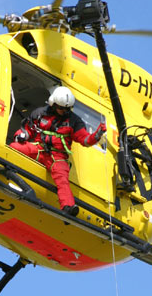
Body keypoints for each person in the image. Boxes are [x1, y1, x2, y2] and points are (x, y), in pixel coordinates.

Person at [10, 85, 106, 216]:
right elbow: (27, 129)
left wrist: (97, 134)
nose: (64, 111)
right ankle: (10, 174)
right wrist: (20, 136)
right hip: (39, 149)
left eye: (67, 109)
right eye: (61, 108)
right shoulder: (39, 113)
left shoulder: (74, 122)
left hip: (57, 157)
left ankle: (68, 207)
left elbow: (85, 139)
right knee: (15, 147)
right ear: (53, 104)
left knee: (62, 179)